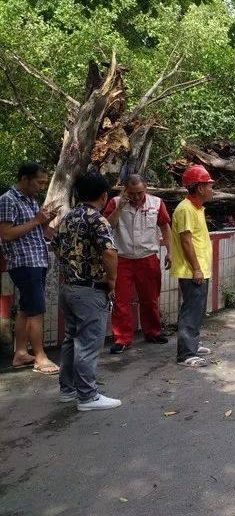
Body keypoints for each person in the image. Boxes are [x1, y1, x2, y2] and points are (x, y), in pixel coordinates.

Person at [52, 172, 121, 410]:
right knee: (89, 343)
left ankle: (68, 389)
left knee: (72, 341)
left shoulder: (67, 218)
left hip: (69, 288)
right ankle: (87, 396)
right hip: (89, 291)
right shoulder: (96, 219)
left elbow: (55, 247)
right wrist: (111, 280)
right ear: (104, 196)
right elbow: (110, 252)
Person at [0, 163, 59, 374]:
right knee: (36, 311)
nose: (42, 187)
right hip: (24, 263)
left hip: (37, 260)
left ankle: (20, 353)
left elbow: (38, 231)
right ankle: (40, 357)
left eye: (44, 183)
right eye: (39, 182)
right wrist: (36, 220)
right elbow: (5, 234)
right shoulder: (8, 200)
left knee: (27, 308)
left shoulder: (32, 201)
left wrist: (45, 221)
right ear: (24, 179)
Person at [103, 174, 172, 354]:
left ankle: (153, 332)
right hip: (122, 258)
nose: (136, 197)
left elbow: (165, 227)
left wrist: (170, 252)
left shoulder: (156, 203)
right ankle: (122, 338)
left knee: (150, 299)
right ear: (125, 190)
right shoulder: (115, 202)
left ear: (146, 188)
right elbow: (106, 227)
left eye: (139, 193)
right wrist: (120, 208)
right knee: (121, 301)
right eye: (131, 193)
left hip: (148, 257)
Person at [170, 165, 215, 367]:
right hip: (192, 270)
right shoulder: (186, 209)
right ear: (199, 188)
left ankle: (192, 345)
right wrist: (196, 268)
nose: (212, 189)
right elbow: (186, 241)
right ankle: (186, 354)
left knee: (197, 309)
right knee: (191, 310)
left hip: (198, 269)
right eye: (209, 185)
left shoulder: (196, 208)